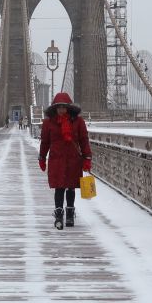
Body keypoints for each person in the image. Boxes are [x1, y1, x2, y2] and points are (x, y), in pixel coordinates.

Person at [38, 92, 92, 230]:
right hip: (56, 159)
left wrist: (87, 158)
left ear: (69, 107)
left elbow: (84, 141)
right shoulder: (48, 123)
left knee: (71, 187)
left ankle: (69, 214)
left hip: (73, 159)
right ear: (54, 108)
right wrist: (42, 157)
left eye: (64, 106)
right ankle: (58, 215)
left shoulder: (78, 122)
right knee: (59, 187)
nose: (61, 109)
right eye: (59, 107)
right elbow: (45, 142)